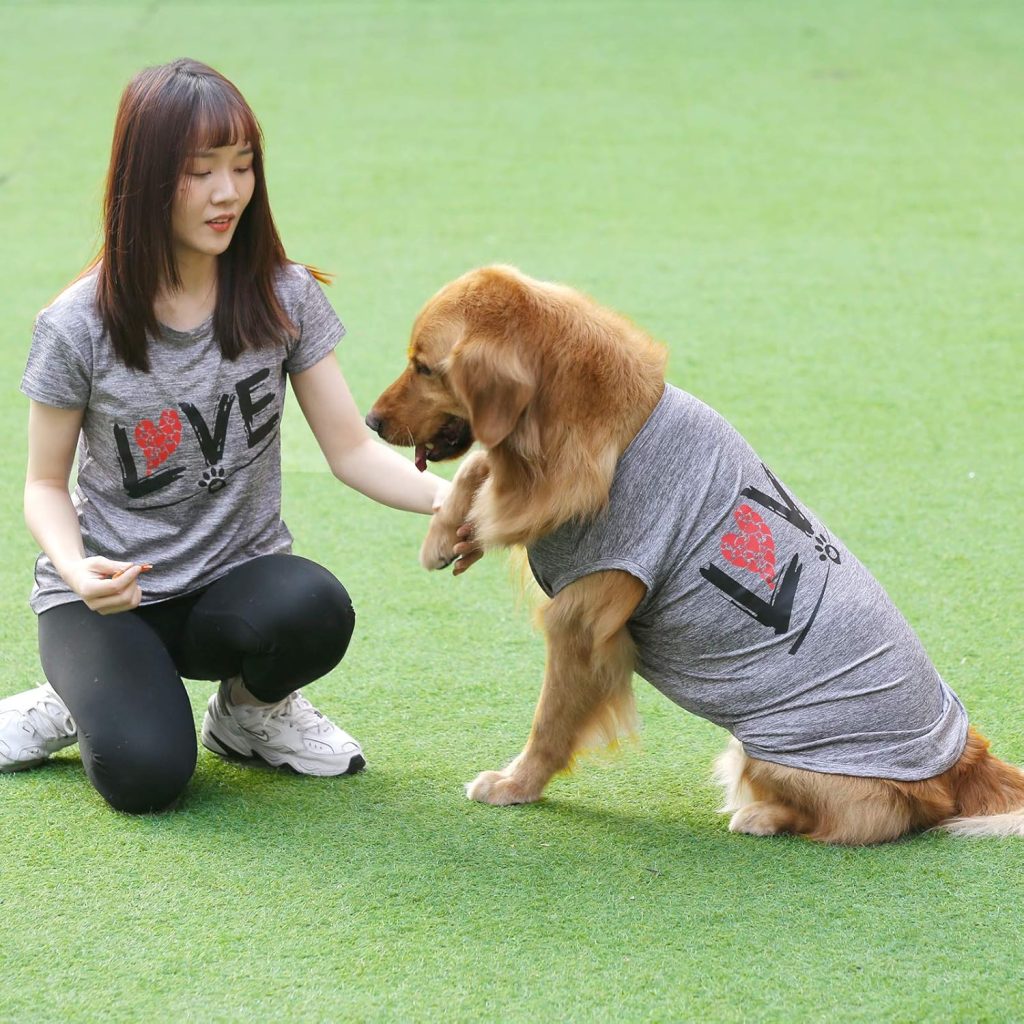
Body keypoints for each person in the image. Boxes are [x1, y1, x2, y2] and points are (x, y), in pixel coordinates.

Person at [0, 58, 464, 813]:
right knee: (147, 779)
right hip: (109, 597)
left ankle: (248, 717)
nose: (228, 193)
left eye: (242, 167)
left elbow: (350, 449)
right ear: (145, 180)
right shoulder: (77, 325)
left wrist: (453, 500)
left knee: (315, 606)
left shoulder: (284, 295)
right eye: (200, 171)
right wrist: (79, 570)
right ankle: (74, 699)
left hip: (227, 585)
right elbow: (43, 485)